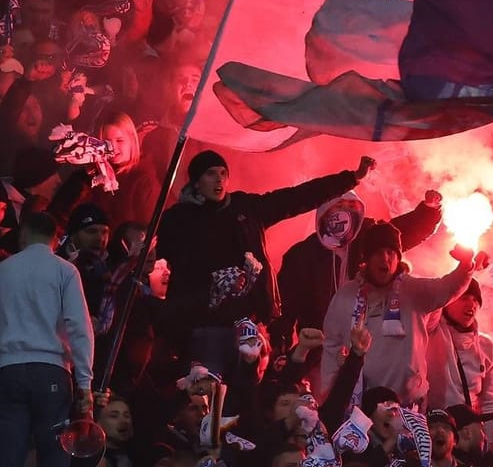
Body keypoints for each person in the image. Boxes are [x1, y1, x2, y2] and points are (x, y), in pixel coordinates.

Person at [155, 149, 374, 375]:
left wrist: (351, 178)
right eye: (211, 174)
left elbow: (296, 197)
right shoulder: (179, 218)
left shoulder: (246, 208)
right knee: (208, 393)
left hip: (250, 324)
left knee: (245, 397)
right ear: (196, 181)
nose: (219, 179)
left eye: (223, 173)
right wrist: (217, 282)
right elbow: (172, 262)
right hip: (204, 326)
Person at [0, 210, 93, 467]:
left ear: (23, 236)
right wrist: (85, 383)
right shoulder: (63, 271)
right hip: (52, 372)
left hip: (7, 372)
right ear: (55, 237)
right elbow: (78, 326)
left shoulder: (3, 271)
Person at [319, 221, 480, 407]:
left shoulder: (413, 290)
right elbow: (331, 345)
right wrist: (328, 393)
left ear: (398, 257)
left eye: (391, 252)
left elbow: (448, 288)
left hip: (409, 402)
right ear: (367, 258)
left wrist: (466, 266)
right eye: (378, 252)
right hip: (360, 404)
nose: (385, 258)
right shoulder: (346, 296)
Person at [277, 189, 442, 339]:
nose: (342, 216)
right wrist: (280, 342)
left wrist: (429, 211)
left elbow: (402, 231)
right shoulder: (301, 255)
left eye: (348, 207)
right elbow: (287, 307)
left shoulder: (369, 236)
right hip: (322, 344)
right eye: (335, 208)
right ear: (323, 213)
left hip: (370, 338)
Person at [426, 278, 493, 419]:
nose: (472, 304)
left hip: (470, 428)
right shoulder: (430, 332)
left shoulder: (487, 346)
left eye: (476, 300)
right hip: (436, 424)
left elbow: (490, 401)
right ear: (448, 302)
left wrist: (488, 438)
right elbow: (433, 303)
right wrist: (465, 269)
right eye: (464, 298)